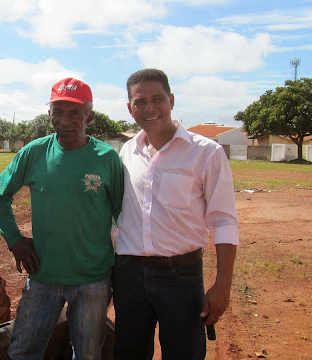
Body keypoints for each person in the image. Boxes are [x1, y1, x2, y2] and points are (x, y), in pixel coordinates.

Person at [0, 78, 123, 360]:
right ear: (49, 113)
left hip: (93, 280)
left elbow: (124, 216)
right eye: (58, 111)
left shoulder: (107, 158)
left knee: (87, 354)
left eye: (75, 112)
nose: (65, 120)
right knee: (23, 351)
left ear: (90, 115)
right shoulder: (34, 152)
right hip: (43, 277)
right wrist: (15, 240)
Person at [113, 68, 239, 359]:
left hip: (180, 277)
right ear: (129, 108)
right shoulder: (126, 152)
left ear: (171, 100)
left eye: (157, 99)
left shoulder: (206, 153)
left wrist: (222, 286)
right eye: (139, 101)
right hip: (129, 276)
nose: (149, 108)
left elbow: (224, 222)